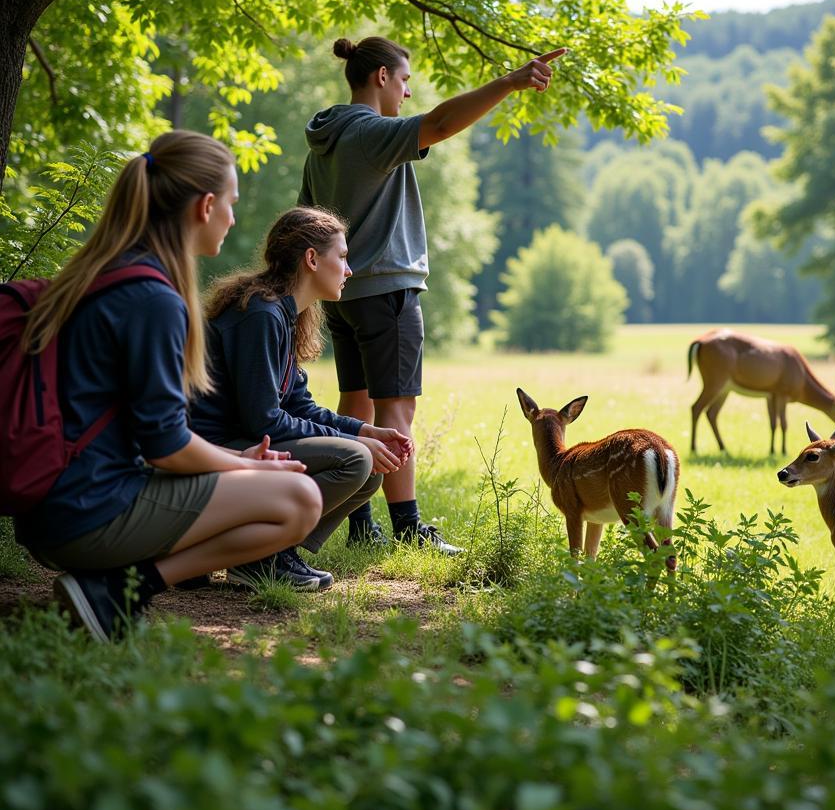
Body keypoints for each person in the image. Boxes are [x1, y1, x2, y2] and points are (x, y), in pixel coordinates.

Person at [16, 130, 323, 642]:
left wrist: (238, 462)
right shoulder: (152, 298)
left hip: (52, 507)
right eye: (231, 204)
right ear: (205, 206)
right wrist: (246, 464)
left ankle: (114, 583)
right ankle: (122, 588)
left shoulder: (104, 272)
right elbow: (165, 446)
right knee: (300, 499)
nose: (233, 217)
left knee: (280, 486)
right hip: (87, 514)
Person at [299, 36, 565, 551]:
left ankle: (360, 525)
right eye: (403, 81)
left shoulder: (323, 144)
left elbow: (310, 223)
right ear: (380, 77)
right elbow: (440, 125)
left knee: (355, 405)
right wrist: (510, 82)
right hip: (389, 290)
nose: (406, 92)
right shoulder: (369, 132)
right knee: (397, 411)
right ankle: (408, 529)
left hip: (344, 294)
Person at [189, 206, 413, 589]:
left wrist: (365, 430)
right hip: (216, 451)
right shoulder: (260, 315)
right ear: (312, 259)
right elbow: (263, 420)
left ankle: (270, 549)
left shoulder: (283, 313)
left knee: (368, 471)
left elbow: (298, 405)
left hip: (246, 442)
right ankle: (260, 555)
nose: (349, 270)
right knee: (355, 460)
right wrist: (356, 442)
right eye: (342, 257)